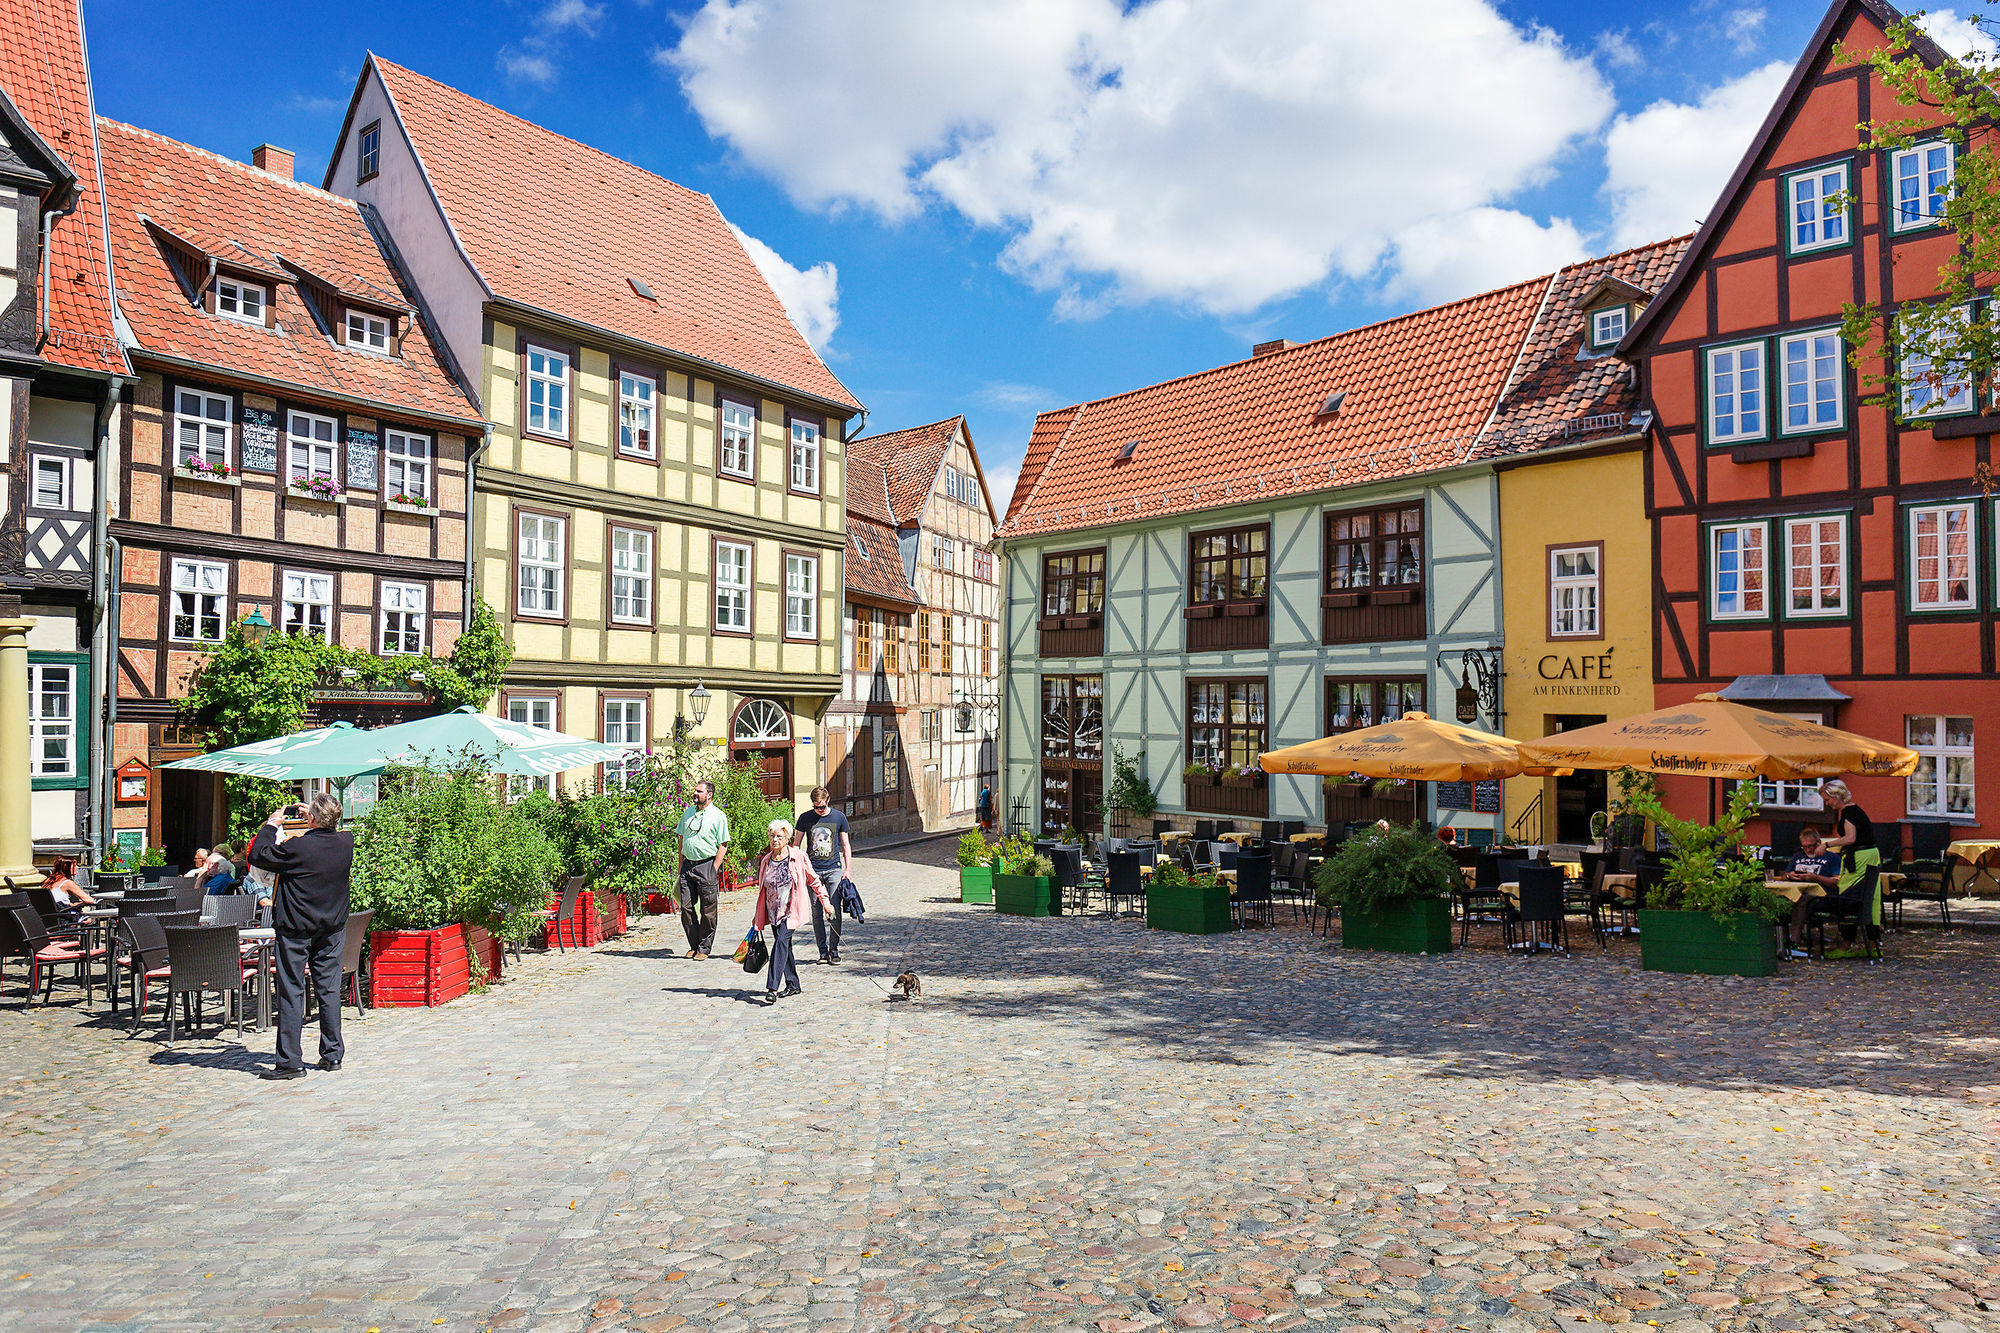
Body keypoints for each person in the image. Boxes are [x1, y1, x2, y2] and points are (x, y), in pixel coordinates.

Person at [248, 794, 353, 1080]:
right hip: (331, 927)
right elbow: (332, 831)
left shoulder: (298, 848)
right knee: (329, 989)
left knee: (292, 990)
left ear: (314, 819)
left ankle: (290, 1062)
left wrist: (271, 825)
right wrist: (318, 818)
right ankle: (332, 1056)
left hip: (296, 928)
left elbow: (258, 855)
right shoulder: (346, 843)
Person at [750, 818, 831, 1005]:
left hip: (791, 911)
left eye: (779, 836)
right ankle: (793, 984)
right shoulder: (765, 861)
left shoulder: (798, 856)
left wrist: (825, 902)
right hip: (773, 911)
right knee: (784, 946)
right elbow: (763, 889)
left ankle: (772, 987)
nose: (774, 840)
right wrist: (757, 915)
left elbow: (813, 880)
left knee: (780, 943)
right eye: (772, 836)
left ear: (787, 838)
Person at [792, 785, 852, 964]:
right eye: (816, 807)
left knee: (834, 910)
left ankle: (834, 949)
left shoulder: (838, 817)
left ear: (828, 801)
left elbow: (846, 845)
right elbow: (796, 845)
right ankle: (823, 952)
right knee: (817, 912)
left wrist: (848, 870)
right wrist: (797, 868)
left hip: (834, 868)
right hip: (813, 871)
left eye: (822, 807)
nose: (819, 810)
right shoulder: (805, 818)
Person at [675, 779, 731, 960]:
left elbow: (723, 844)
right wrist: (680, 863)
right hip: (687, 866)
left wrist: (714, 868)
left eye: (699, 791)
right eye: (695, 790)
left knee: (708, 909)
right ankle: (693, 944)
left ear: (709, 795)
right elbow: (681, 838)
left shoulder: (718, 816)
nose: (695, 794)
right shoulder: (688, 813)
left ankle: (704, 948)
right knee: (685, 907)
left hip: (707, 865)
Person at [1779, 827, 1843, 957]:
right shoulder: (1798, 856)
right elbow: (1784, 875)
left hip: (1823, 895)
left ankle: (1794, 942)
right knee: (1782, 900)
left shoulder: (1832, 857)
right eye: (1805, 847)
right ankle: (1783, 940)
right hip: (1798, 891)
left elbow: (1838, 881)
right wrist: (1789, 876)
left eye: (1811, 846)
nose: (1808, 849)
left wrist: (1816, 878)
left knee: (1801, 900)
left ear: (1819, 843)